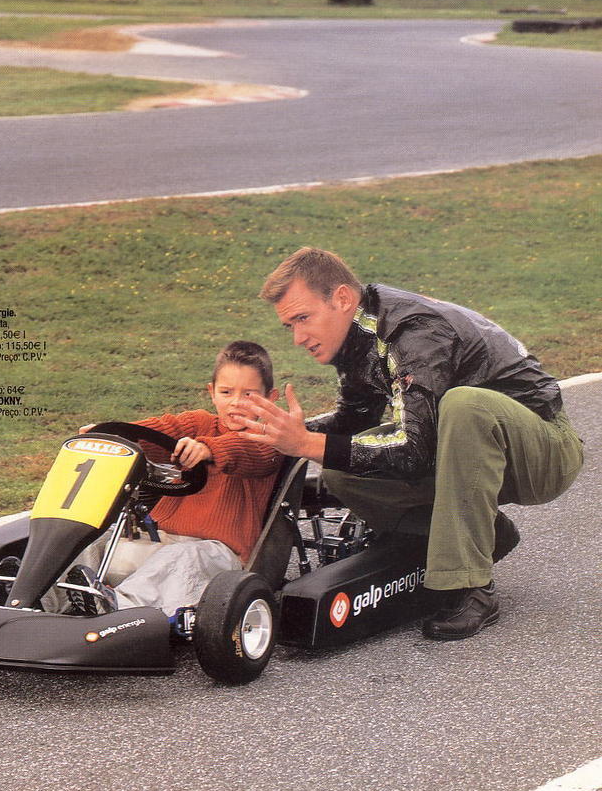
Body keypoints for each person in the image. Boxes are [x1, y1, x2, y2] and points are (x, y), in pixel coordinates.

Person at [236, 247, 583, 640]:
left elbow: (413, 451)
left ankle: (471, 586)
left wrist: (305, 442)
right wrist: (275, 434)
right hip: (467, 452)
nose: (298, 338)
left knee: (464, 405)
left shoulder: (414, 332)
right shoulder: (357, 332)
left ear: (342, 299)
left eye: (303, 318)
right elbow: (354, 422)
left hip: (544, 451)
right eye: (289, 326)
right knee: (342, 470)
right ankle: (483, 532)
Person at [46, 340, 282, 619]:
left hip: (220, 554)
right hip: (160, 540)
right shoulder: (198, 423)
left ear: (270, 397)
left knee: (181, 558)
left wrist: (207, 449)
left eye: (249, 395)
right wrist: (112, 433)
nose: (236, 403)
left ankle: (119, 609)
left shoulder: (272, 439)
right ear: (212, 393)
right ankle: (42, 598)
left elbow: (248, 451)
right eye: (226, 392)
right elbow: (159, 430)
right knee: (91, 541)